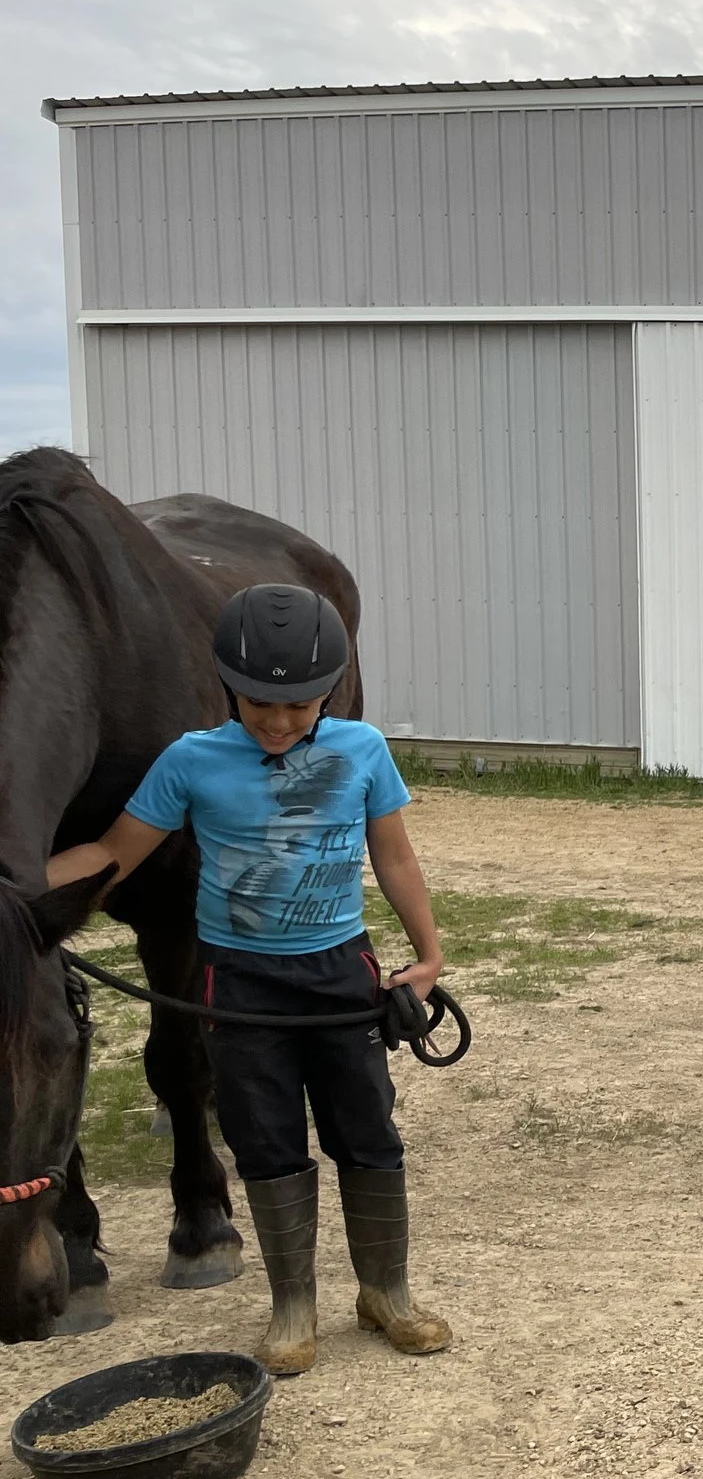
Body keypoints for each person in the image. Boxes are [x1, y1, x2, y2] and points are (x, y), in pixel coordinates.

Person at [46, 584, 450, 1375]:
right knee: (263, 1140)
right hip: (240, 982)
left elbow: (395, 856)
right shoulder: (191, 760)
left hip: (343, 973)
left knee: (369, 1132)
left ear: (328, 690)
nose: (278, 720)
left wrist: (428, 955)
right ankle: (293, 1303)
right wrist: (21, 883)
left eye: (299, 705)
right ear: (228, 686)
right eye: (261, 703)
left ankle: (386, 1291)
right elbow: (115, 851)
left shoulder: (364, 749)